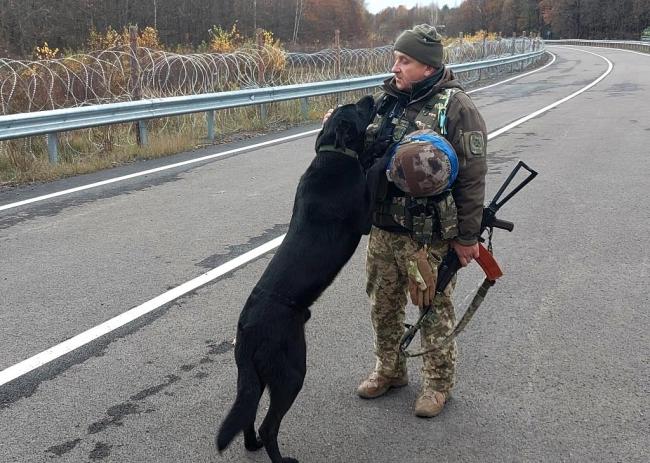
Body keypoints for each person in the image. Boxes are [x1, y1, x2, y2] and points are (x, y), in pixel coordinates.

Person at [353, 24, 488, 418]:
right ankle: (389, 369)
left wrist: (467, 237)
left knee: (432, 308)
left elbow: (473, 176)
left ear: (428, 67)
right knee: (382, 304)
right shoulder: (386, 100)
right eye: (396, 58)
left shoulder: (456, 107)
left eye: (404, 60)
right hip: (382, 228)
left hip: (426, 236)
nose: (395, 66)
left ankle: (437, 385)